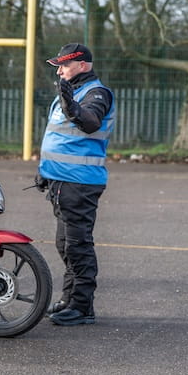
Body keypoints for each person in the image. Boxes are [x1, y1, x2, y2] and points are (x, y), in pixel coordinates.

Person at [34, 43, 115, 326]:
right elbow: (59, 137)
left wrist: (72, 106)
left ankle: (82, 307)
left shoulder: (96, 93)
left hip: (79, 183)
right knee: (65, 244)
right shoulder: (71, 91)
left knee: (77, 244)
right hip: (62, 181)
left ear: (82, 65)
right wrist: (45, 171)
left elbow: (90, 122)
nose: (59, 70)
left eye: (64, 65)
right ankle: (70, 299)